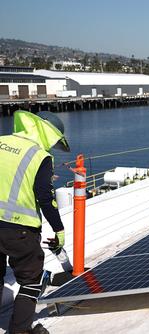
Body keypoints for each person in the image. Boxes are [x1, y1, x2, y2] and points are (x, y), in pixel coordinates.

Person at [1, 111, 70, 334]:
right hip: (20, 229)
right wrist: (59, 230)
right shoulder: (39, 156)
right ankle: (20, 331)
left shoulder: (1, 142)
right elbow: (45, 198)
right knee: (32, 281)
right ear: (48, 133)